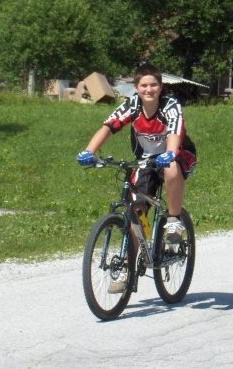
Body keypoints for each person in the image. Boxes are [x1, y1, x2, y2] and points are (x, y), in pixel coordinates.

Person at [77, 63, 197, 293]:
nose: (149, 89)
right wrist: (89, 151)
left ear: (161, 87)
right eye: (144, 85)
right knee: (135, 211)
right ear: (136, 87)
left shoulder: (170, 106)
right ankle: (126, 266)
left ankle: (173, 221)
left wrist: (170, 153)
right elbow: (108, 127)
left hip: (177, 153)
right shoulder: (131, 106)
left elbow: (174, 131)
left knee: (171, 168)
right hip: (146, 159)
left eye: (153, 85)